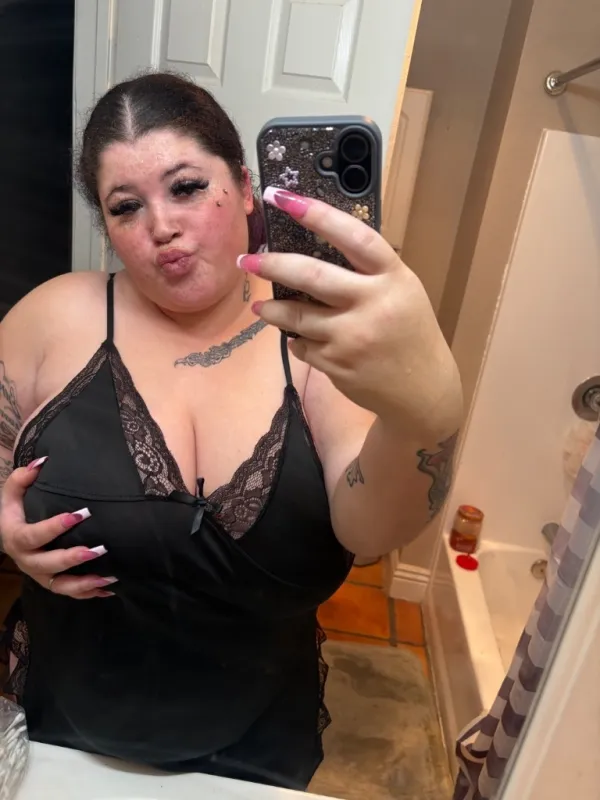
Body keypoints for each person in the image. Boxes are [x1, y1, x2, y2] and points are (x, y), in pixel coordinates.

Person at [0, 72, 462, 790]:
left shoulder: (323, 343)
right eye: (126, 206)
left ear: (246, 188)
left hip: (252, 755)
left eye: (186, 187)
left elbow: (372, 530)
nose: (161, 226)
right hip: (61, 737)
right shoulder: (53, 316)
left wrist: (424, 414)